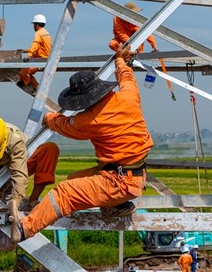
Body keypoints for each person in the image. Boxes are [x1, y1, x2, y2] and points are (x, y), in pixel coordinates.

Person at [15, 44, 153, 241]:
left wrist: (48, 119)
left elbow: (63, 124)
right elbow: (127, 77)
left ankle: (23, 229)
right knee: (73, 179)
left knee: (65, 192)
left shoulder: (89, 121)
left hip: (120, 181)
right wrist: (120, 60)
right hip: (130, 172)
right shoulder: (128, 96)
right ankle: (117, 206)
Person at [17, 14, 52, 95]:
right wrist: (26, 50)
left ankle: (27, 85)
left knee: (23, 72)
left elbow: (35, 45)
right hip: (45, 58)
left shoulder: (38, 33)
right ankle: (37, 87)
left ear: (36, 24)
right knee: (28, 72)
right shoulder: (46, 33)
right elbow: (41, 48)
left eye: (34, 24)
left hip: (40, 60)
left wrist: (28, 55)